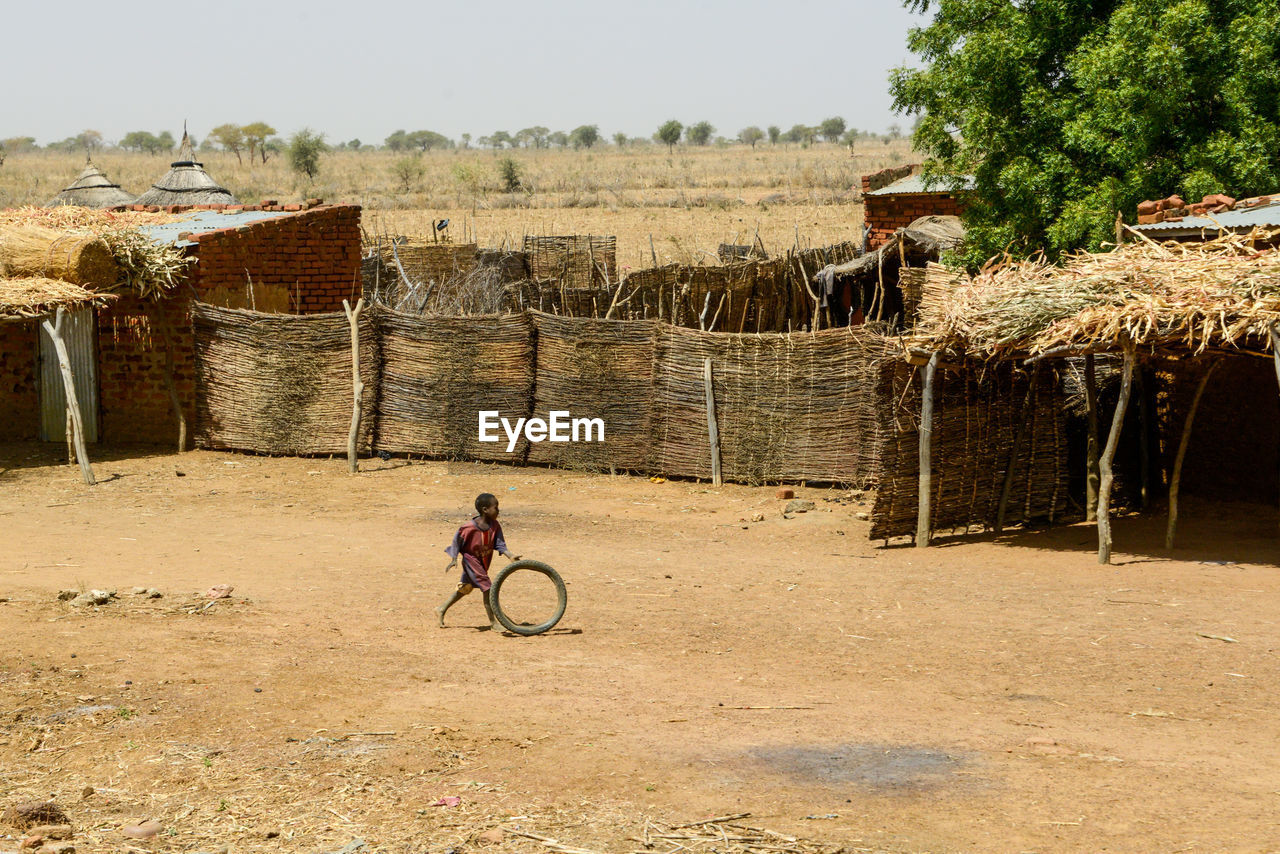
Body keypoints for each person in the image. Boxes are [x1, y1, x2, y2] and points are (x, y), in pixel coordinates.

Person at [438, 493, 520, 630]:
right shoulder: (469, 527)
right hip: (471, 560)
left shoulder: (495, 526)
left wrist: (510, 556)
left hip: (483, 561)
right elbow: (457, 541)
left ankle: (441, 609)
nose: (498, 510)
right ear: (485, 509)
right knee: (488, 589)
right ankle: (493, 623)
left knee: (466, 588)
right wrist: (454, 559)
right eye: (496, 507)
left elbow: (499, 544)